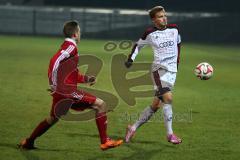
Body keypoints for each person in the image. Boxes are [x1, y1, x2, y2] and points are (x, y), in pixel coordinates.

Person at [18, 20, 123, 151]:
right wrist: (53, 83)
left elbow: (71, 75)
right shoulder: (71, 47)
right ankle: (105, 141)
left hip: (62, 92)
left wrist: (86, 78)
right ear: (75, 33)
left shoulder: (69, 47)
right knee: (100, 104)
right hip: (66, 92)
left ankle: (29, 142)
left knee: (53, 118)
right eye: (79, 32)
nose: (80, 34)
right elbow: (55, 60)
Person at [125, 6, 182, 144]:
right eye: (160, 16)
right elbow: (138, 45)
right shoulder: (149, 33)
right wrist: (130, 59)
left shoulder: (174, 29)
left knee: (155, 106)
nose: (164, 18)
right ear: (154, 20)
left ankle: (133, 128)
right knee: (168, 98)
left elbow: (178, 44)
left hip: (172, 72)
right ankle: (170, 135)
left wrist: (177, 64)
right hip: (159, 71)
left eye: (165, 15)